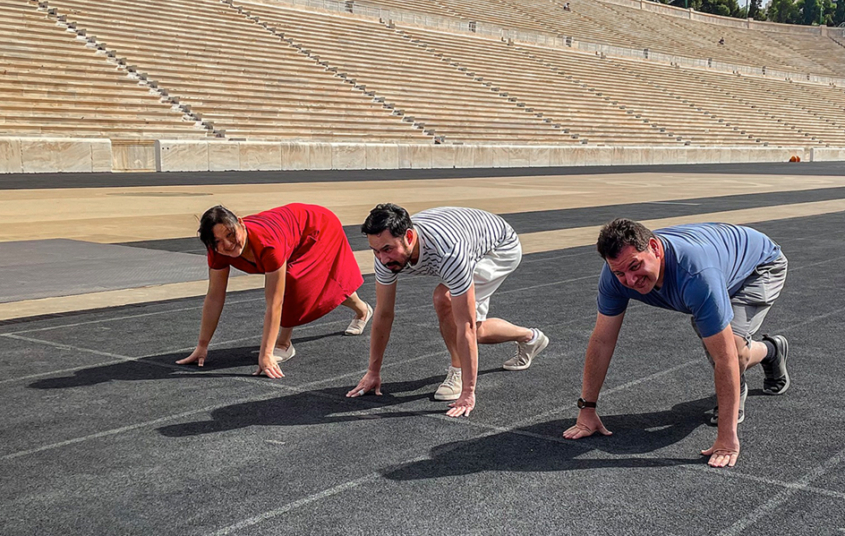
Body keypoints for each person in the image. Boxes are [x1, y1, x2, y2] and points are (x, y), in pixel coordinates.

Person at [563, 219, 791, 469]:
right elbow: (602, 340)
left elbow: (725, 359)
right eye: (620, 273)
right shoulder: (615, 275)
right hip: (716, 262)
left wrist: (727, 437)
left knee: (733, 353)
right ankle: (769, 354)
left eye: (635, 266)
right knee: (722, 344)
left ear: (654, 247)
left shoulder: (696, 275)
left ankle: (769, 351)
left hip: (759, 266)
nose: (630, 280)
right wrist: (587, 410)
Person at [347, 204, 549, 418]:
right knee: (473, 331)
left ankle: (458, 370)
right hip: (465, 233)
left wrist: (468, 392)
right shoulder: (384, 255)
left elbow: (466, 325)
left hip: (499, 248)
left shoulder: (448, 253)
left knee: (447, 302)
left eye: (387, 249)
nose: (382, 258)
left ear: (408, 236)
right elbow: (384, 313)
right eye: (375, 251)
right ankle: (530, 337)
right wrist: (373, 371)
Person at [177, 204, 373, 378]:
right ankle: (363, 310)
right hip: (291, 232)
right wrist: (202, 345)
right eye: (218, 241)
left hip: (317, 228)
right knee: (322, 287)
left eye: (230, 235)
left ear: (241, 224)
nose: (227, 245)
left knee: (293, 283)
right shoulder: (217, 251)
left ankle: (283, 344)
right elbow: (214, 296)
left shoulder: (267, 244)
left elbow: (275, 302)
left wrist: (266, 354)